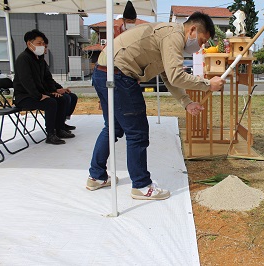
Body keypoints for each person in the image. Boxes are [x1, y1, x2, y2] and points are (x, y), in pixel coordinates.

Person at [87, 12, 225, 200]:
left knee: (113, 127)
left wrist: (187, 102)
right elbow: (177, 76)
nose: (200, 46)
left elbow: (168, 76)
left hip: (104, 74)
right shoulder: (173, 36)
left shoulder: (167, 36)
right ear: (192, 29)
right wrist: (209, 84)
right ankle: (141, 185)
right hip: (119, 76)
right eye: (201, 41)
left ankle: (96, 176)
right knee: (137, 133)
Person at [13, 29, 75, 145]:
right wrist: (39, 96)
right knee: (50, 103)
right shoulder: (23, 59)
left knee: (62, 98)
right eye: (39, 43)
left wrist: (53, 91)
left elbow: (47, 78)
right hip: (24, 97)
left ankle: (60, 128)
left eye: (43, 44)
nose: (42, 46)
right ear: (29, 43)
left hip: (38, 93)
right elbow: (26, 81)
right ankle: (50, 134)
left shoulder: (40, 59)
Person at [41, 36, 78, 131]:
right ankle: (52, 131)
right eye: (41, 45)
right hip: (31, 95)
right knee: (59, 99)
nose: (44, 49)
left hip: (45, 91)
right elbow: (33, 83)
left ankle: (61, 122)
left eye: (45, 46)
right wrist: (51, 93)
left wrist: (60, 89)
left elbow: (49, 80)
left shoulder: (41, 61)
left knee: (71, 96)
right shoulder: (25, 60)